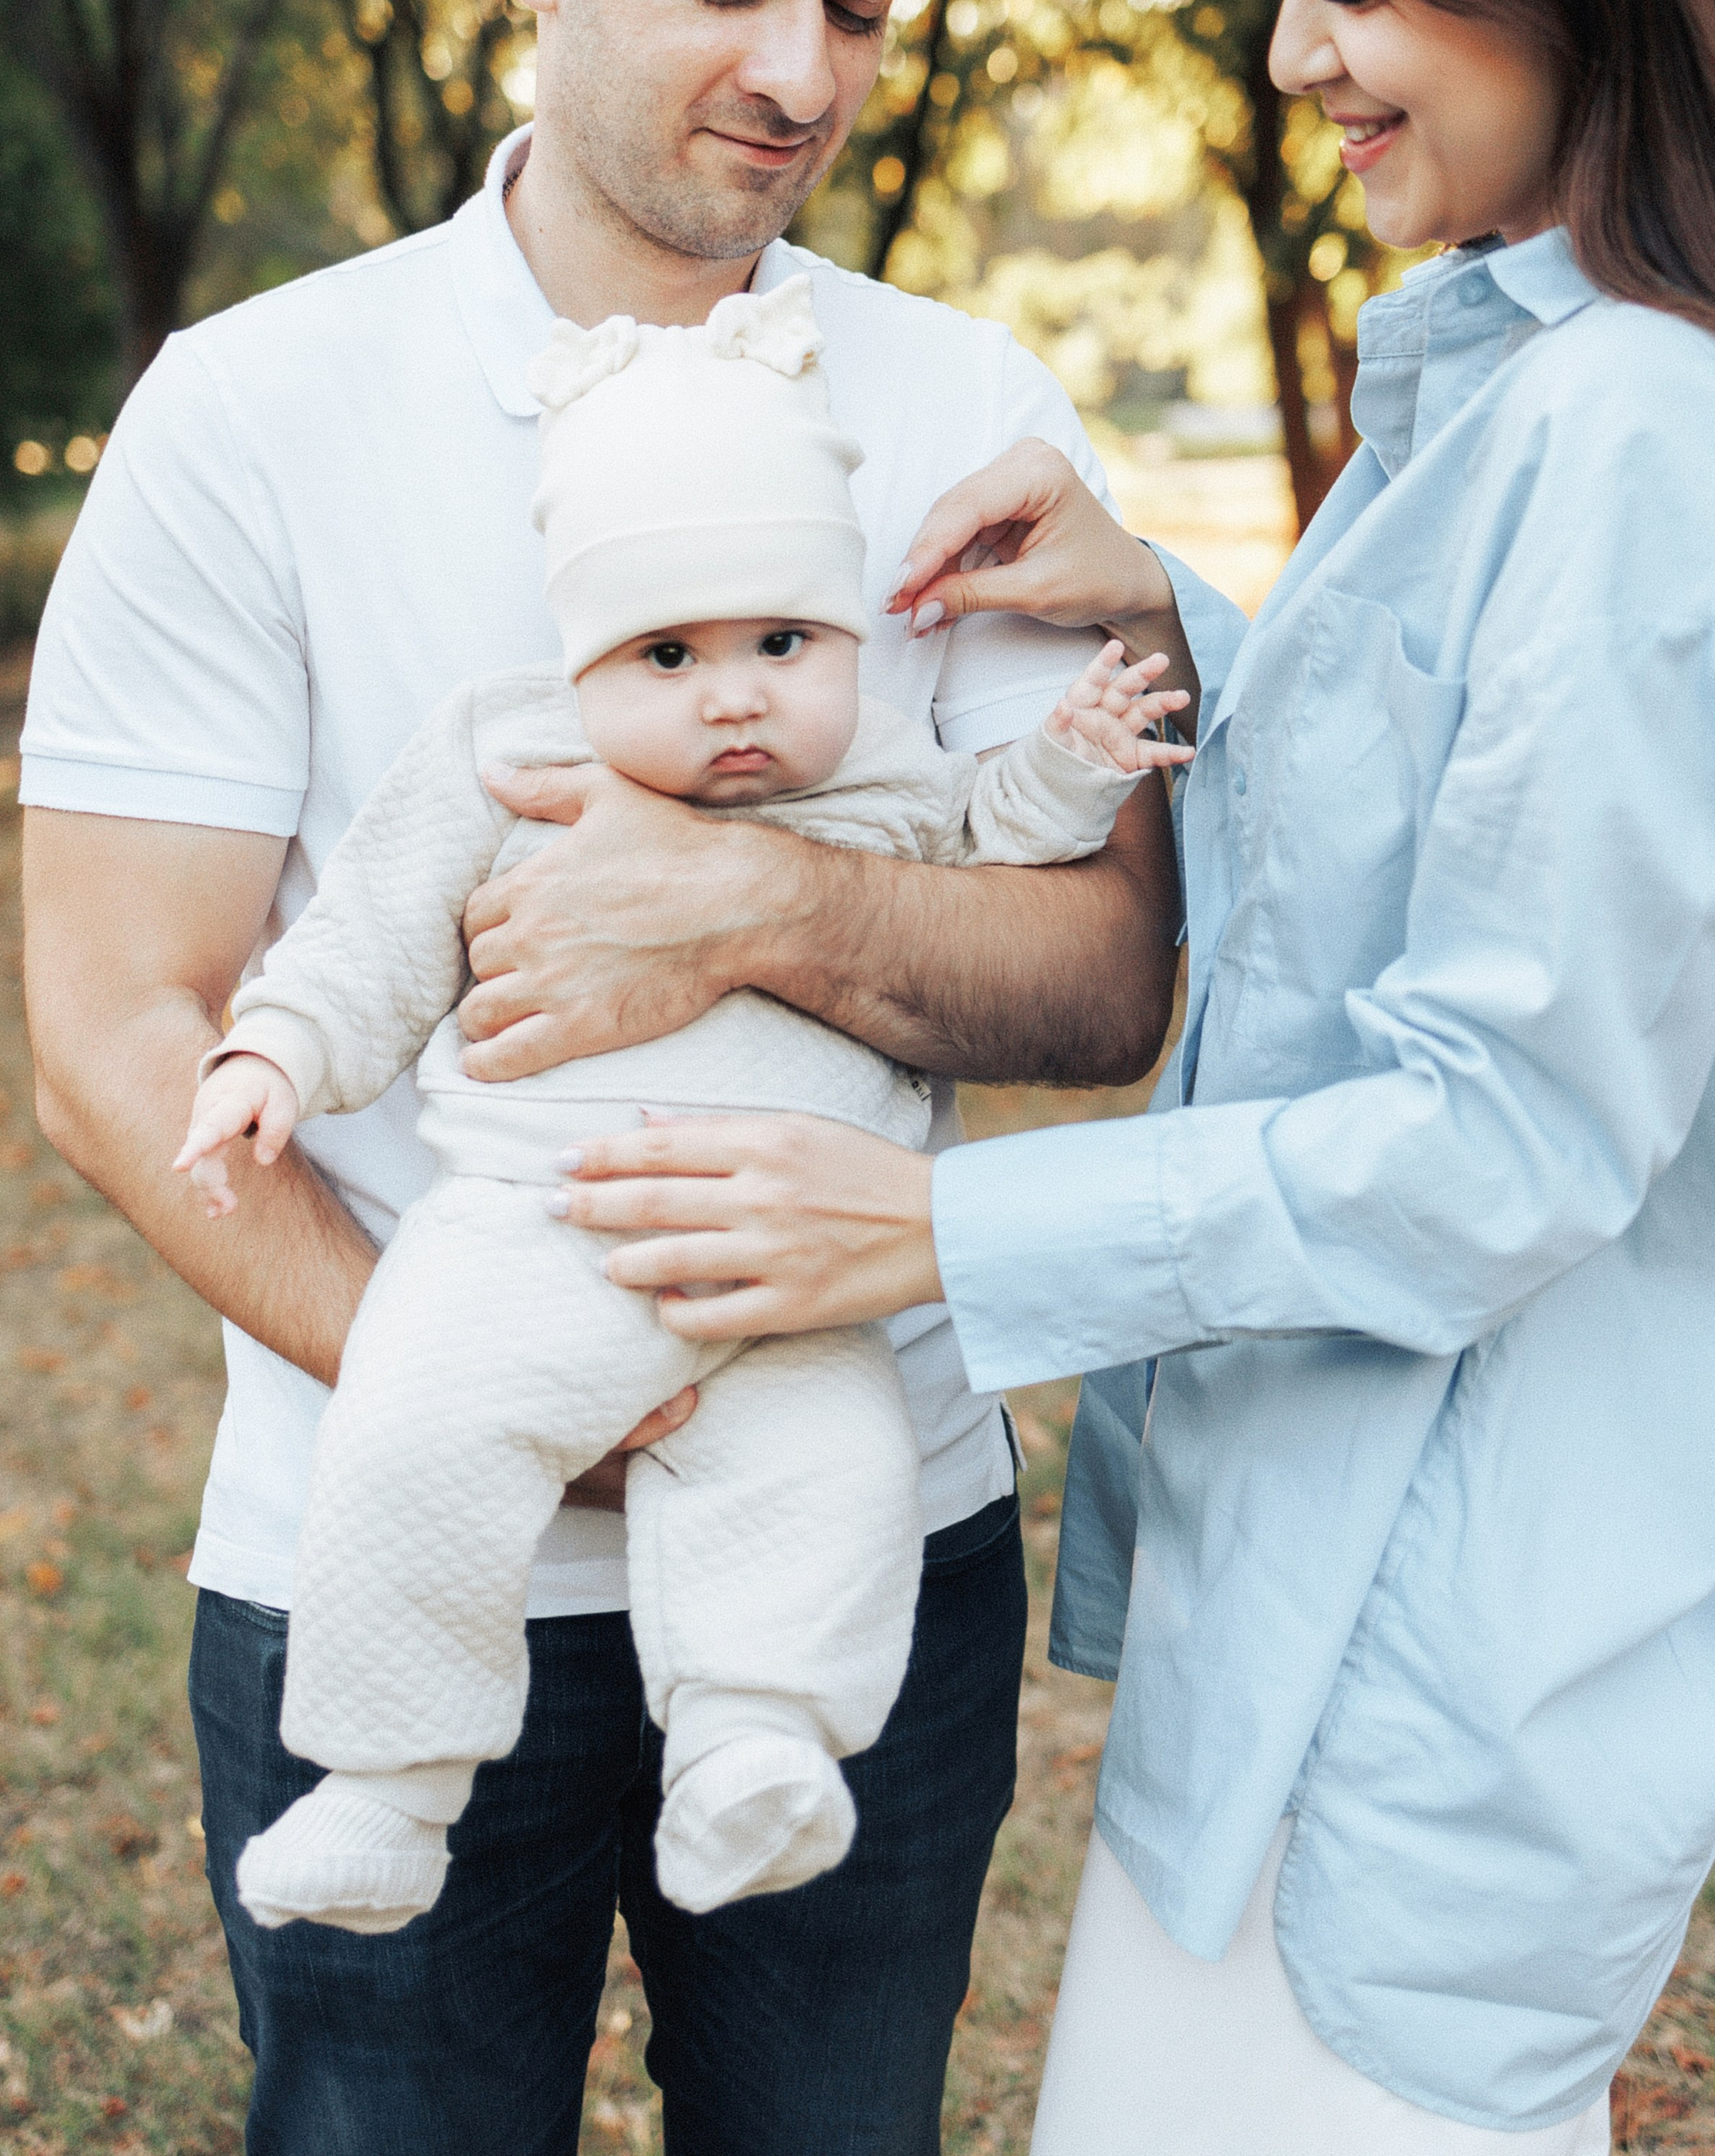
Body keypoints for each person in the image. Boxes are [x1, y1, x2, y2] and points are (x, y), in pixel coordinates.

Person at [534, 0, 1715, 2148]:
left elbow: (1505, 1133)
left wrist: (938, 1243)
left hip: (1422, 1711)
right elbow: (1462, 815)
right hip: (1329, 1659)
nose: (1301, 54)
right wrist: (1166, 606)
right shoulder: (1556, 390)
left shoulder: (1634, 442)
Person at [21, 0, 1200, 2155]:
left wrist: (756, 906)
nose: (803, 75)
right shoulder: (250, 417)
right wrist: (511, 1397)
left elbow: (1106, 969)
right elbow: (129, 1034)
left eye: (864, 3)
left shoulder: (961, 416)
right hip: (391, 1533)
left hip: (866, 1529)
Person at [173, 275, 1186, 1938]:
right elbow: (367, 933)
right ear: (585, 654)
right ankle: (386, 1783)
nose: (734, 696)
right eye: (669, 654)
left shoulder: (868, 776)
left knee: (828, 1473)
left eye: (783, 644)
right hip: (526, 1238)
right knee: (413, 1437)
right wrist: (273, 1054)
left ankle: (752, 1743)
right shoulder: (502, 753)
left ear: (846, 642)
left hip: (792, 1274)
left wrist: (1077, 752)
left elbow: (1003, 829)